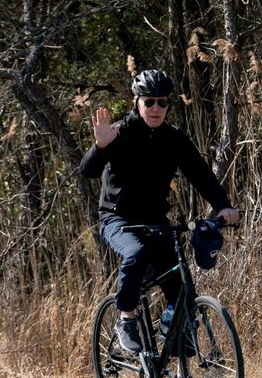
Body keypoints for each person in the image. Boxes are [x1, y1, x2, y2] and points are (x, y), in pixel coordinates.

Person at [80, 69, 240, 355]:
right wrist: (100, 145)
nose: (156, 108)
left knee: (183, 293)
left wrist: (223, 206)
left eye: (162, 103)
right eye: (149, 101)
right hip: (117, 220)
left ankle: (181, 377)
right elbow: (88, 171)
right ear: (137, 101)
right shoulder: (118, 132)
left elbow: (200, 175)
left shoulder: (173, 138)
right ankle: (126, 317)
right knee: (136, 254)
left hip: (155, 220)